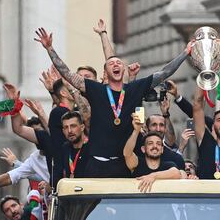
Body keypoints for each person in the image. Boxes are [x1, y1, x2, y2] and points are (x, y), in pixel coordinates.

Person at [35, 27, 192, 178]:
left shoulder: (135, 88)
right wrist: (50, 48)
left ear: (123, 70)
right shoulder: (95, 89)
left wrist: (185, 53)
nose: (116, 64)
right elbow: (67, 74)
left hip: (124, 164)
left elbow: (164, 72)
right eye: (111, 63)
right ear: (106, 72)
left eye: (119, 63)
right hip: (97, 164)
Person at [123, 113, 181, 192]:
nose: (155, 146)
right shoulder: (137, 163)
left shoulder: (168, 165)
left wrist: (153, 176)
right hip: (138, 202)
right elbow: (127, 153)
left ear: (162, 149)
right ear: (143, 149)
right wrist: (136, 131)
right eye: (150, 143)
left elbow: (176, 173)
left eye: (158, 144)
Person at [61, 111, 89, 178]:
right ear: (63, 131)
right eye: (66, 127)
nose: (69, 131)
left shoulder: (92, 147)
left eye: (73, 126)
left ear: (82, 127)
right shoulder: (65, 148)